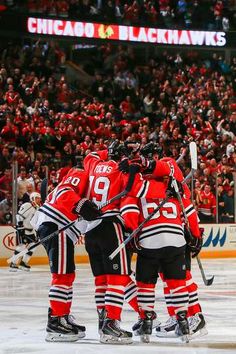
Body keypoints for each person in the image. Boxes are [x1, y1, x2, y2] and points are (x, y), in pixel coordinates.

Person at [31, 167, 101, 342]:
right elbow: (65, 191)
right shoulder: (81, 173)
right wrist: (79, 204)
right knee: (62, 276)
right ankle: (56, 321)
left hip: (60, 226)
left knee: (67, 274)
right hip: (57, 225)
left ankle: (62, 316)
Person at [83, 141, 141, 344]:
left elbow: (89, 154)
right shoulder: (123, 169)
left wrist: (109, 150)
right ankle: (111, 324)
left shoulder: (93, 164)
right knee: (117, 277)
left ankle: (102, 321)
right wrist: (130, 162)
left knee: (101, 280)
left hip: (90, 229)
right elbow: (134, 190)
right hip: (110, 225)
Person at [9, 192, 41, 271]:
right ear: (32, 198)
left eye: (39, 198)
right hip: (23, 230)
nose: (39, 200)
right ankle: (13, 263)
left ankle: (23, 262)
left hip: (31, 231)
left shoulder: (37, 208)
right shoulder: (27, 205)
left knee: (33, 246)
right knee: (21, 247)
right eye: (37, 198)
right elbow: (19, 216)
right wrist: (20, 228)